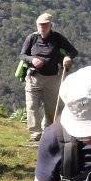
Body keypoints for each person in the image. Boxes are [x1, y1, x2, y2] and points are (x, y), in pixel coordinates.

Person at [21, 12, 79, 143]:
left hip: (52, 78)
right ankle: (35, 133)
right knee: (31, 105)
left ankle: (48, 131)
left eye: (45, 25)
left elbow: (73, 51)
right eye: (40, 25)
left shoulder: (57, 38)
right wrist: (32, 59)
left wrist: (68, 57)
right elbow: (23, 55)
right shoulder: (32, 38)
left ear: (50, 25)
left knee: (51, 107)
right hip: (33, 77)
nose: (42, 27)